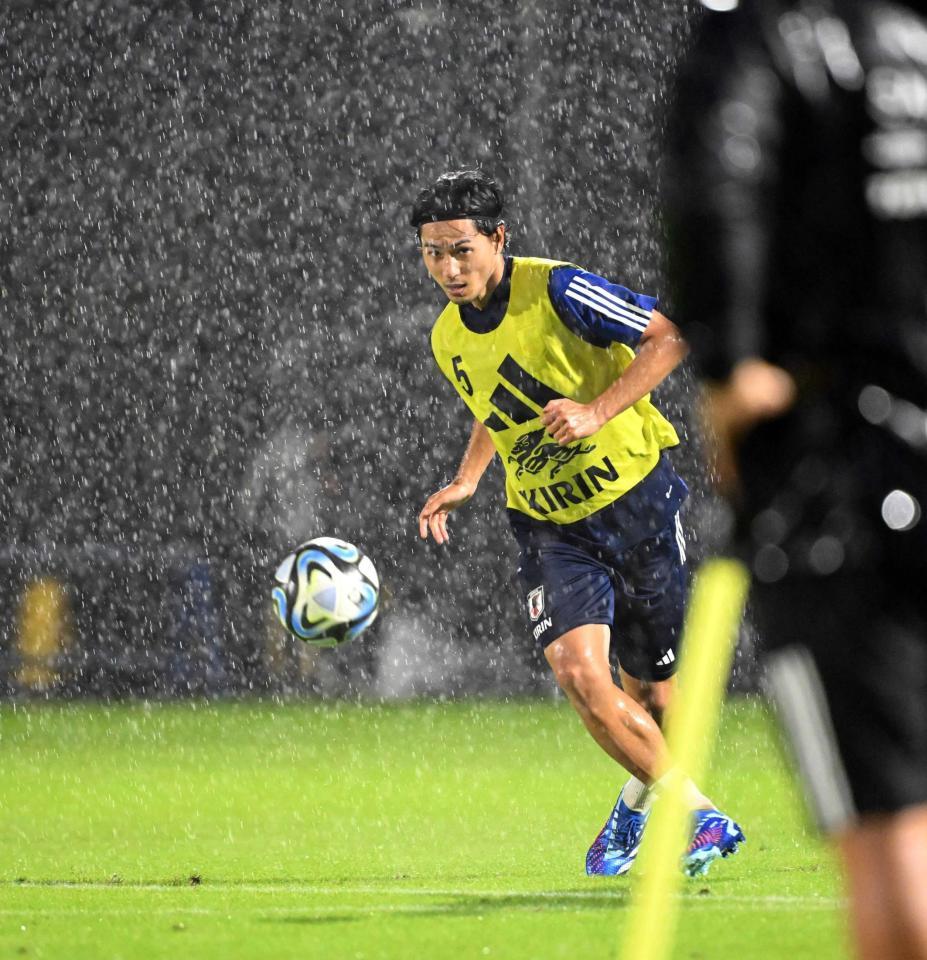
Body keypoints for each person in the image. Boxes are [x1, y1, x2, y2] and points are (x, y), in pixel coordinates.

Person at [664, 0, 927, 956]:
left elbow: (715, 177)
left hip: (842, 490)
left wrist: (732, 371)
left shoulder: (775, 31)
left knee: (889, 831)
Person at [411, 169, 744, 877]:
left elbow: (665, 337)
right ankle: (696, 816)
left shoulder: (558, 288)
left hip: (635, 504)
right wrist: (469, 477)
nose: (448, 267)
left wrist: (597, 411)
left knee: (657, 698)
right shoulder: (447, 337)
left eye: (461, 249)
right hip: (550, 527)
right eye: (433, 252)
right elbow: (494, 403)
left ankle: (633, 808)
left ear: (498, 239)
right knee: (576, 671)